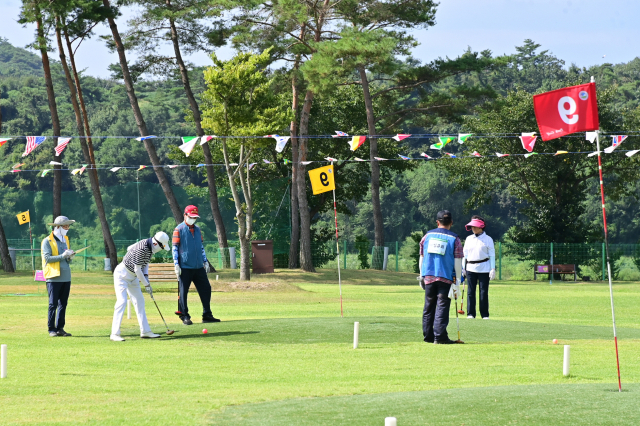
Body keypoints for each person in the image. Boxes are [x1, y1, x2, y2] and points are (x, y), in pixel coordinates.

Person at [110, 232, 170, 341]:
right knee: (122, 301)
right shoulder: (142, 248)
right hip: (122, 275)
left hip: (133, 276)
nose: (161, 249)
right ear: (156, 243)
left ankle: (145, 331)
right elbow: (138, 269)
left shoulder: (150, 247)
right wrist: (146, 285)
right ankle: (114, 334)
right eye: (162, 247)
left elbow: (144, 264)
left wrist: (146, 278)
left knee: (140, 301)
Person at [419, 210, 464, 344]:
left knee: (429, 306)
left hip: (429, 275)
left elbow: (422, 256)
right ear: (451, 222)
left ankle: (428, 336)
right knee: (442, 306)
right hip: (446, 276)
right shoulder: (454, 239)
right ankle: (440, 337)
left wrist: (421, 275)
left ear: (437, 222)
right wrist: (458, 281)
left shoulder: (427, 236)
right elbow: (458, 261)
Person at [172, 205, 218, 325]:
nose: (193, 219)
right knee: (183, 292)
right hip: (185, 267)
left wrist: (205, 260)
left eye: (195, 217)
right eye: (191, 217)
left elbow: (201, 247)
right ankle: (184, 315)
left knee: (206, 289)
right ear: (185, 215)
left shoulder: (198, 229)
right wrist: (176, 264)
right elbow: (175, 248)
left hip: (198, 266)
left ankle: (207, 314)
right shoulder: (178, 229)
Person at [42, 216, 76, 337]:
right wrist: (63, 256)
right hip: (53, 276)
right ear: (58, 227)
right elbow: (47, 258)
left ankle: (60, 328)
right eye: (65, 226)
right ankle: (51, 329)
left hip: (66, 276)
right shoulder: (47, 241)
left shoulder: (65, 239)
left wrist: (69, 257)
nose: (67, 228)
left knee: (63, 303)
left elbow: (66, 260)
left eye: (68, 226)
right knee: (53, 304)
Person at [462, 215, 495, 320]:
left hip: (484, 268)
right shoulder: (468, 239)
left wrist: (492, 268)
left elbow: (492, 255)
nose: (473, 228)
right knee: (470, 292)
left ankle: (485, 314)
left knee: (483, 292)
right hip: (470, 267)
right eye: (472, 227)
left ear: (481, 227)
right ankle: (470, 313)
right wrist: (463, 268)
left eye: (475, 227)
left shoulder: (488, 239)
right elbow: (465, 255)